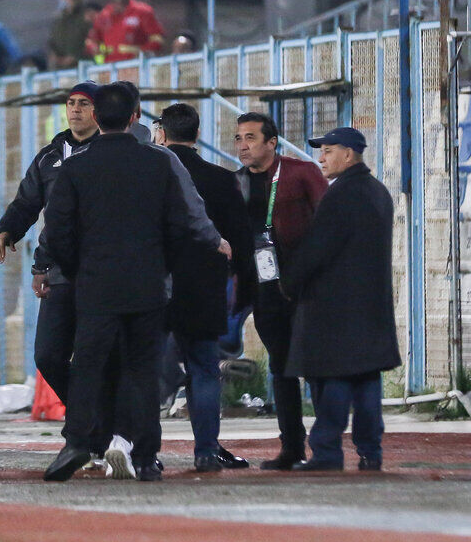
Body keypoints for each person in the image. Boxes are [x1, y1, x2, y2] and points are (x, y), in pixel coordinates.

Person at [42, 83, 229, 483]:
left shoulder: (75, 168)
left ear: (96, 117)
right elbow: (181, 222)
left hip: (95, 286)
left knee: (88, 365)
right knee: (143, 371)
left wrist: (78, 270)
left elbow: (56, 232)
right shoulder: (159, 164)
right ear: (134, 117)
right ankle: (144, 456)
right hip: (147, 285)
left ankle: (79, 441)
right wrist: (162, 265)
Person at [282, 128, 400, 471]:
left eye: (329, 151)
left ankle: (326, 452)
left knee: (333, 379)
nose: (321, 158)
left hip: (335, 309)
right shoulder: (378, 192)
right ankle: (370, 453)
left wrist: (289, 282)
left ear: (348, 154)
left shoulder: (341, 194)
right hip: (371, 307)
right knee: (366, 380)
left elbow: (317, 249)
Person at [158, 103, 253, 472]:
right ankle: (206, 451)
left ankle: (144, 453)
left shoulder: (151, 175)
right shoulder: (222, 179)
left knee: (149, 370)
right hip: (205, 290)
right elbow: (241, 242)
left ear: (162, 133)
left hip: (158, 289)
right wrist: (242, 289)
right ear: (197, 134)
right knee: (204, 369)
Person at [0, 81, 100, 408]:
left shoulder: (109, 153)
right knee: (48, 355)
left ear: (98, 111)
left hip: (100, 271)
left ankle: (93, 421)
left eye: (84, 103)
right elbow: (27, 201)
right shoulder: (50, 156)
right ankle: (86, 413)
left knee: (94, 354)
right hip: (59, 271)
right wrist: (7, 230)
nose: (76, 109)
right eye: (71, 103)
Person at [233, 112, 327, 470]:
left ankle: (326, 448)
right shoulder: (236, 182)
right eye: (238, 138)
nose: (243, 145)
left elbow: (327, 223)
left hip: (305, 287)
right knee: (281, 367)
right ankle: (291, 447)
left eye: (250, 138)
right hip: (264, 288)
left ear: (271, 142)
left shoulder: (301, 172)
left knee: (315, 365)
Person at [86, 0, 165, 63]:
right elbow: (91, 40)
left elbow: (157, 39)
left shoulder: (143, 11)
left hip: (135, 64)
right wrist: (93, 48)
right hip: (110, 66)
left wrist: (141, 52)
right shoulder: (104, 15)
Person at [47, 0, 91, 70]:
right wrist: (54, 57)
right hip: (61, 70)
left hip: (82, 68)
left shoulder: (87, 17)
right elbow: (51, 42)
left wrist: (76, 57)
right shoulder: (58, 20)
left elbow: (93, 41)